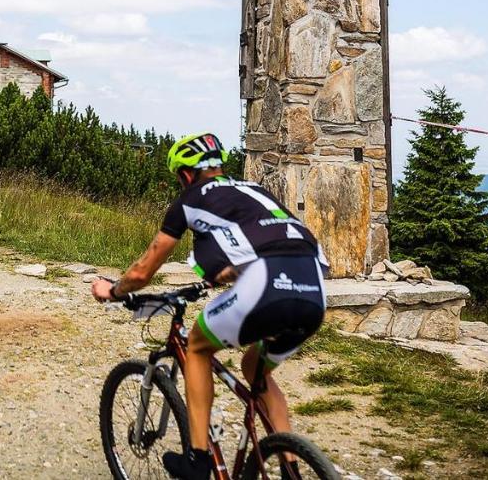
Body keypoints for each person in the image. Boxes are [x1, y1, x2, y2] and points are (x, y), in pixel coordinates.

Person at [90, 133, 328, 480]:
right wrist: (227, 273)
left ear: (186, 174)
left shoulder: (188, 200)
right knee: (254, 368)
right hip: (314, 288)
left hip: (266, 283)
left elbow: (143, 271)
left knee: (196, 346)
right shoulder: (254, 192)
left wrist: (112, 290)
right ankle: (290, 468)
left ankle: (198, 461)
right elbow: (272, 240)